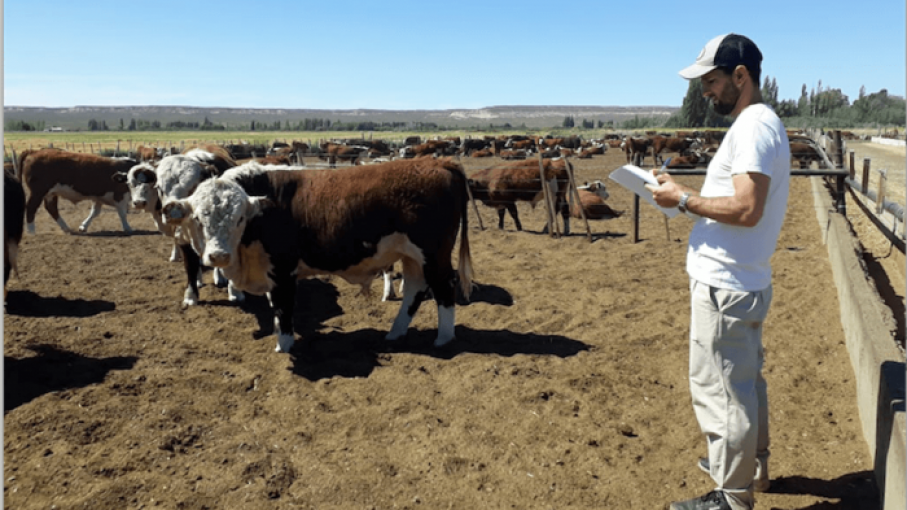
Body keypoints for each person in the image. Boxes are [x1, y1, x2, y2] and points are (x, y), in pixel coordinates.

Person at [645, 33, 791, 510]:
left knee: (723, 392)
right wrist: (679, 194)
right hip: (742, 280)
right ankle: (753, 466)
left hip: (725, 286)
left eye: (711, 81)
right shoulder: (762, 124)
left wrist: (684, 200)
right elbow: (741, 203)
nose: (705, 92)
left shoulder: (752, 128)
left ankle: (731, 497)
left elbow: (747, 208)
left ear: (740, 76)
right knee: (745, 383)